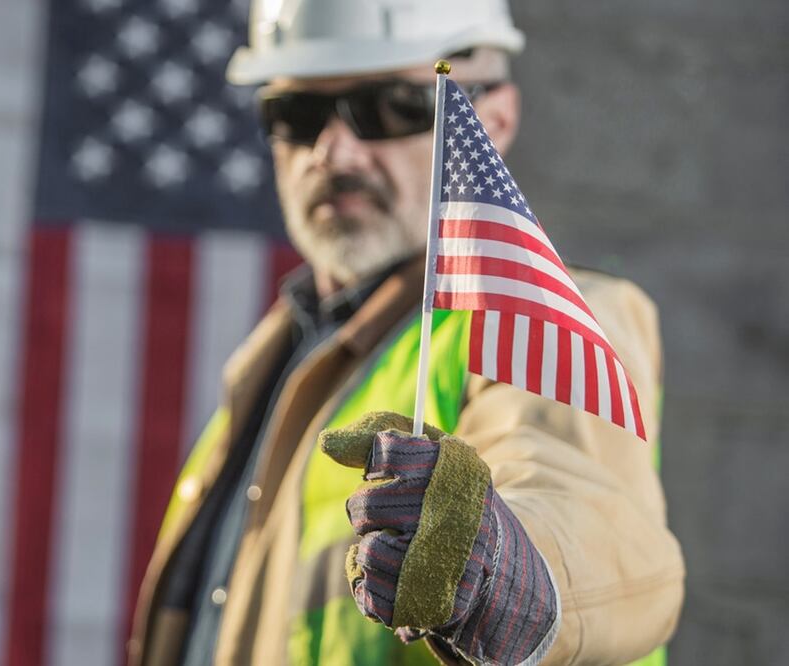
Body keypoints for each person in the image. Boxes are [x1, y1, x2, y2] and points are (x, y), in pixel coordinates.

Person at [129, 0, 685, 663]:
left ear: (495, 118)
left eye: (388, 107)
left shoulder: (534, 319)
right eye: (297, 116)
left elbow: (587, 512)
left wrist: (505, 570)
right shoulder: (277, 354)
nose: (333, 150)